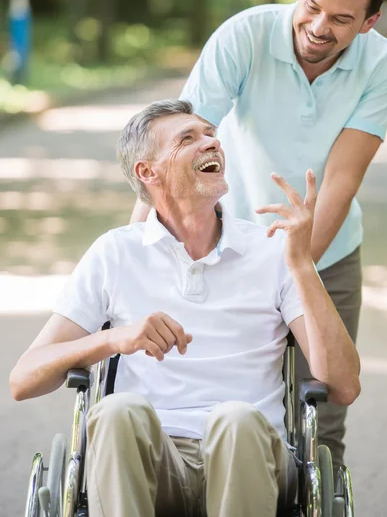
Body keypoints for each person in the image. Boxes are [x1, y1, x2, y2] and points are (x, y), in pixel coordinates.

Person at [130, 0, 387, 473]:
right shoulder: (244, 35)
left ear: (369, 22)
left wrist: (292, 268)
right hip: (225, 246)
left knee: (319, 414)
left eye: (342, 19)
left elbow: (341, 182)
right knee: (211, 394)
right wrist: (136, 253)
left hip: (325, 251)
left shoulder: (381, 64)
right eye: (312, 6)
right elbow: (174, 149)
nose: (320, 26)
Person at [10, 100, 361, 517]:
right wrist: (111, 339)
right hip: (152, 460)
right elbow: (23, 380)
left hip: (252, 457)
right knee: (116, 411)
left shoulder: (273, 251)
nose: (211, 143)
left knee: (235, 420)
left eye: (211, 133)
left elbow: (343, 385)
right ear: (147, 171)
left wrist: (302, 263)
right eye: (188, 138)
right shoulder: (115, 253)